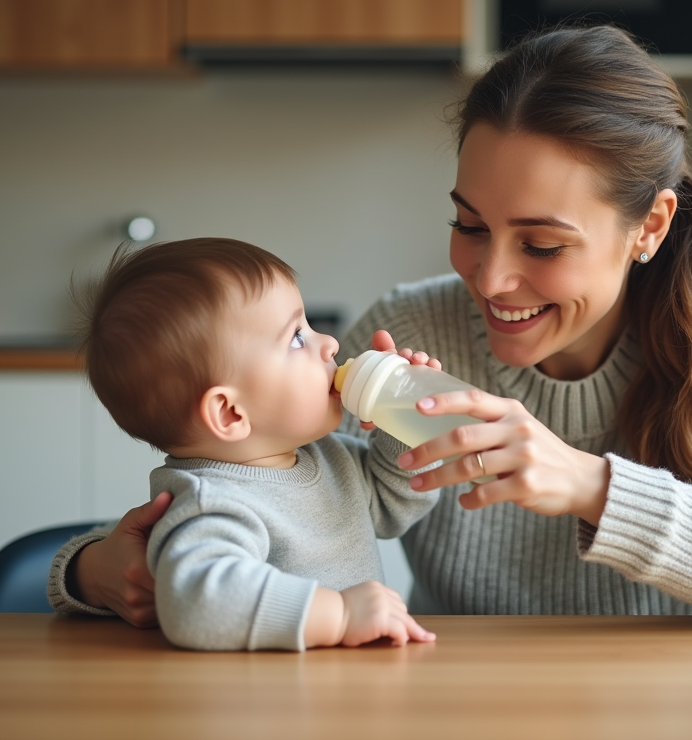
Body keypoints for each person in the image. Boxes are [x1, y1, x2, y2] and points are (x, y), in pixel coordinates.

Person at [52, 25, 692, 628]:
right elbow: (255, 499)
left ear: (648, 228)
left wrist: (590, 486)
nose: (490, 279)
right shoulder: (413, 327)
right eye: (470, 225)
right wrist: (96, 572)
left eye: (540, 243)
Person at [48, 238, 439, 651]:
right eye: (296, 338)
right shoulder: (211, 502)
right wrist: (339, 615)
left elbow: (395, 504)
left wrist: (406, 421)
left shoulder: (330, 456)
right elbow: (197, 604)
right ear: (230, 414)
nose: (330, 343)